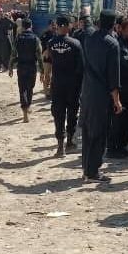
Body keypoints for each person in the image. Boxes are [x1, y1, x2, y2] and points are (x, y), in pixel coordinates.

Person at [79, 9, 123, 183]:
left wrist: (86, 14)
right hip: (102, 96)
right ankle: (92, 172)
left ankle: (86, 168)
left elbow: (87, 26)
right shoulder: (112, 44)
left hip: (87, 92)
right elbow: (114, 77)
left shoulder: (89, 38)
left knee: (87, 131)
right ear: (114, 25)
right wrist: (117, 101)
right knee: (99, 133)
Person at [47, 14, 84, 157]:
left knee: (58, 114)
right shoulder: (76, 43)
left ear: (57, 26)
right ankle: (69, 141)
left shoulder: (51, 43)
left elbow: (50, 60)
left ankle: (60, 146)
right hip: (72, 85)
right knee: (72, 113)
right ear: (68, 26)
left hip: (57, 83)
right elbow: (81, 67)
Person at [108, 19, 128, 159]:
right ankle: (112, 149)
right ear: (121, 30)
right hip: (121, 90)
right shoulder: (118, 45)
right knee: (118, 121)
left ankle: (122, 147)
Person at [9, 18, 44, 122]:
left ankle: (25, 111)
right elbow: (39, 56)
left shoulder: (18, 38)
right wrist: (42, 71)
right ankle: (28, 106)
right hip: (32, 66)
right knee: (30, 88)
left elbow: (13, 54)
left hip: (21, 66)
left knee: (22, 89)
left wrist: (10, 67)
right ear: (31, 26)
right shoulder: (35, 39)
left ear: (22, 27)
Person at [40, 20, 56, 97]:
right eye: (52, 25)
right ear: (49, 25)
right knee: (47, 75)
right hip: (47, 57)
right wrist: (45, 52)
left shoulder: (57, 34)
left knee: (54, 75)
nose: (53, 26)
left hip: (55, 57)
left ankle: (52, 91)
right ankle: (47, 92)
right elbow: (42, 44)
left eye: (54, 25)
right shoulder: (45, 34)